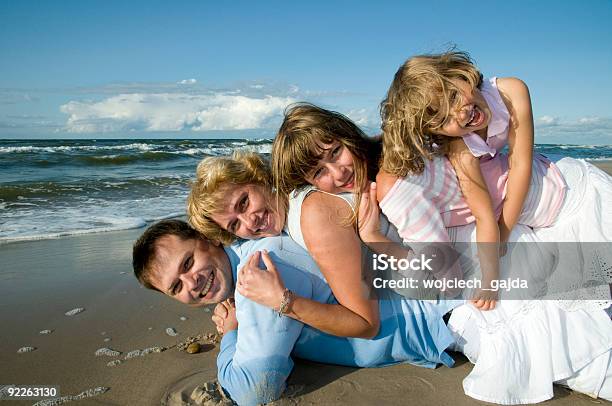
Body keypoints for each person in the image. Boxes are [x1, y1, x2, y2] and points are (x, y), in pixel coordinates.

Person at [132, 219, 457, 406]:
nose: (193, 282)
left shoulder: (257, 275)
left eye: (188, 263)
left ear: (207, 239)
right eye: (177, 286)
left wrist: (231, 333)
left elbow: (252, 391)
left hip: (451, 322)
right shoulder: (264, 243)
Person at [380, 50, 570, 309]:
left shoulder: (511, 91)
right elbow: (482, 215)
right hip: (493, 178)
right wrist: (490, 280)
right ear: (434, 131)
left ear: (460, 73)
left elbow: (520, 162)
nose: (461, 114)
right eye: (445, 119)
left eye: (455, 95)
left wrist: (504, 231)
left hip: (537, 170)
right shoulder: (459, 146)